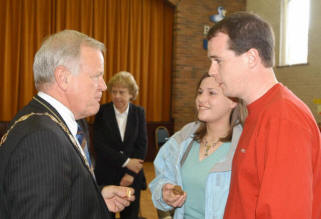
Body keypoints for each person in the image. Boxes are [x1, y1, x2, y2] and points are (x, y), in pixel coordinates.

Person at [0, 30, 135, 219]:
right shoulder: (42, 140)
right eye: (97, 76)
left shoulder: (50, 121)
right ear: (63, 78)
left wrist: (96, 198)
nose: (103, 86)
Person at [207, 12, 321, 219]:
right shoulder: (260, 112)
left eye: (218, 60)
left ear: (251, 58)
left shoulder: (283, 119)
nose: (211, 71)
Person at [149, 73, 246, 219]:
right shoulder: (184, 138)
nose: (201, 99)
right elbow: (162, 177)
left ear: (233, 101)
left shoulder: (244, 147)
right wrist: (164, 191)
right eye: (200, 92)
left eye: (211, 93)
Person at [93, 71, 148, 219]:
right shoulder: (101, 112)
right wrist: (126, 162)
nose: (117, 96)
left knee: (130, 215)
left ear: (131, 94)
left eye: (121, 92)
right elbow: (99, 145)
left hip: (131, 178)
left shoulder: (139, 113)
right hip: (106, 175)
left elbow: (142, 145)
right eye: (114, 92)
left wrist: (130, 173)